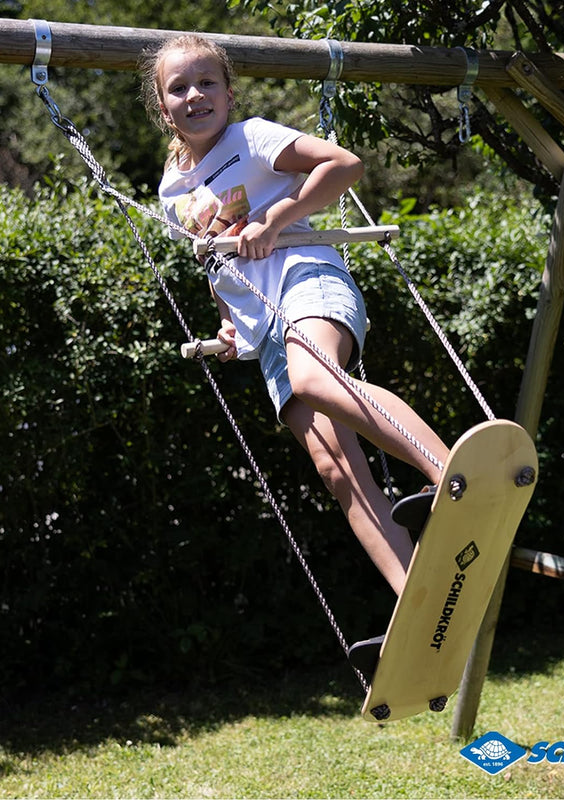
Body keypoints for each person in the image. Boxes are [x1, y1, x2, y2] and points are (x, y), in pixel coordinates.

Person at [140, 34, 449, 598]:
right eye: (179, 88)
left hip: (306, 280)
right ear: (163, 107)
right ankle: (416, 595)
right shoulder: (171, 189)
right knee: (338, 471)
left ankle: (451, 472)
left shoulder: (251, 138)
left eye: (207, 82)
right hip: (267, 327)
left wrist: (277, 218)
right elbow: (217, 261)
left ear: (229, 93)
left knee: (315, 376)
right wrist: (230, 325)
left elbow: (343, 165)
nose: (195, 95)